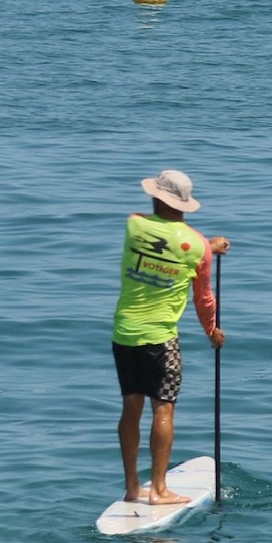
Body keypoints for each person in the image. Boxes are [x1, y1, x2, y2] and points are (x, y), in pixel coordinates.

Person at [112, 167, 229, 506]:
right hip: (161, 340)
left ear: (155, 196)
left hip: (123, 334)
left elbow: (163, 245)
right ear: (184, 203)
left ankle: (133, 487)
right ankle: (160, 491)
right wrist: (211, 331)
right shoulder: (197, 248)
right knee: (163, 410)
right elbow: (203, 298)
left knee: (130, 408)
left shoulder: (133, 225)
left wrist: (206, 246)